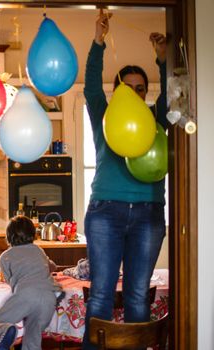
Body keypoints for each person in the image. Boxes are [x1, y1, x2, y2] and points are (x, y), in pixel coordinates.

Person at [81, 9, 168, 349]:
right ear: (117, 90)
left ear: (146, 93)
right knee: (100, 295)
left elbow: (172, 96)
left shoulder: (155, 119)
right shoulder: (105, 117)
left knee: (137, 297)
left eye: (141, 88)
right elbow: (90, 87)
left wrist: (162, 61)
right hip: (105, 213)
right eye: (127, 87)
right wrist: (98, 41)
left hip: (148, 214)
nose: (135, 91)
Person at [0, 216, 62, 350]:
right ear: (33, 233)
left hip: (26, 295)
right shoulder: (39, 250)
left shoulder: (5, 256)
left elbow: (8, 280)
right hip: (50, 297)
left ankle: (5, 331)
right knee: (33, 338)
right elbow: (52, 267)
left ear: (9, 236)